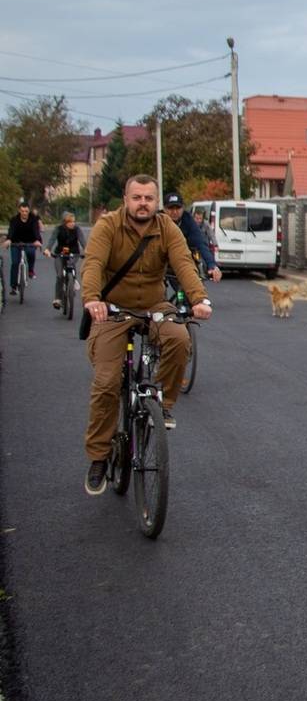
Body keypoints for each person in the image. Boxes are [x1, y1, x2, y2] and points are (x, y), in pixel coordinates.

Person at [81, 175, 211, 497]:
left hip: (154, 305)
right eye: (136, 197)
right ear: (125, 199)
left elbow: (183, 264)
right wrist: (92, 299)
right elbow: (93, 263)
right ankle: (99, 456)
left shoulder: (167, 227)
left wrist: (199, 299)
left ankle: (163, 405)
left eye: (148, 198)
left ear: (156, 202)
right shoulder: (107, 226)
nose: (143, 204)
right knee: (107, 382)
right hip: (112, 309)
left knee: (180, 338)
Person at [162, 194, 222, 283]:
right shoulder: (158, 220)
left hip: (182, 259)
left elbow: (201, 243)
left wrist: (212, 265)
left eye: (177, 208)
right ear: (164, 209)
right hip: (162, 260)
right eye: (171, 208)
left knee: (192, 287)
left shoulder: (189, 220)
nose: (174, 212)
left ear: (183, 208)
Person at [43, 210, 85, 308]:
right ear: (64, 223)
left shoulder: (77, 229)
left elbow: (82, 240)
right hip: (60, 254)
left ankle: (72, 280)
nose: (72, 224)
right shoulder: (58, 229)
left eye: (74, 221)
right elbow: (52, 240)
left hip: (74, 253)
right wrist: (48, 250)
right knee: (60, 275)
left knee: (71, 264)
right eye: (70, 222)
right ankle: (58, 299)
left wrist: (86, 250)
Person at [6, 200, 43, 294]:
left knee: (31, 253)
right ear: (19, 211)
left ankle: (30, 270)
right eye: (22, 211)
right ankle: (14, 287)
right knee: (15, 263)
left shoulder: (33, 219)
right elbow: (11, 230)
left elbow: (36, 230)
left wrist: (37, 240)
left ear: (29, 211)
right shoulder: (14, 219)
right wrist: (9, 239)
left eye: (26, 211)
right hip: (16, 243)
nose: (24, 213)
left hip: (30, 242)